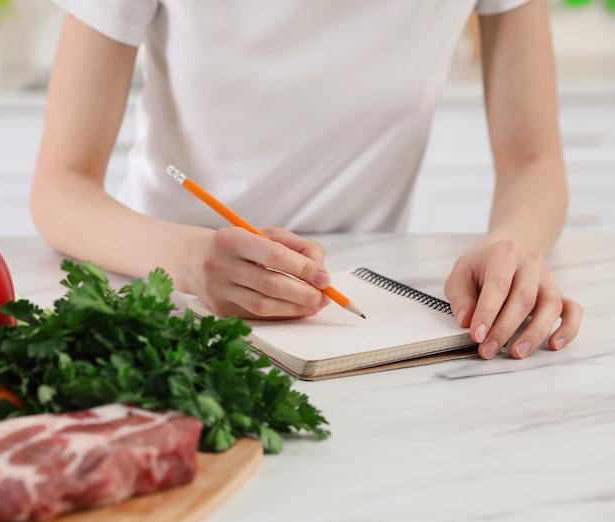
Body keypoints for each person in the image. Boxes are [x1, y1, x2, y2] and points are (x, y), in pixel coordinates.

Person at [30, 0, 582, 360]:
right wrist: (192, 260)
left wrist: (509, 248)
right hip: (158, 284)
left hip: (354, 312)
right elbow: (60, 187)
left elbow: (532, 161)